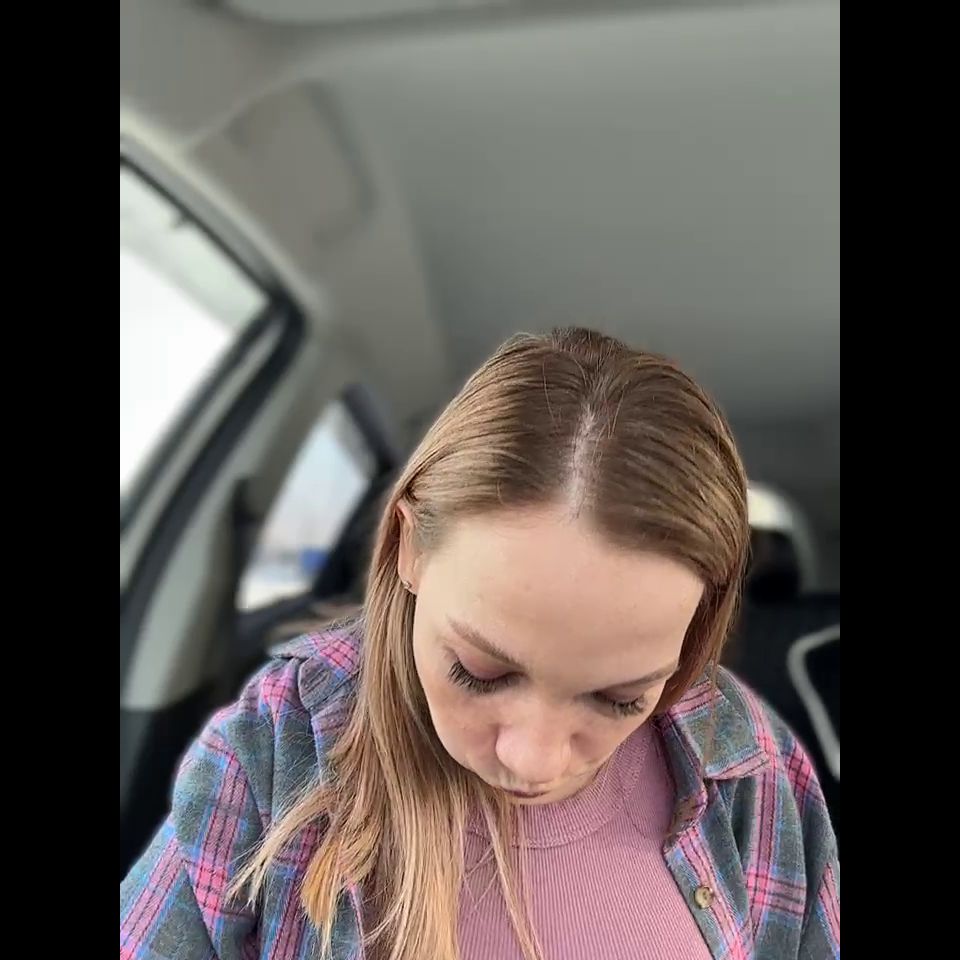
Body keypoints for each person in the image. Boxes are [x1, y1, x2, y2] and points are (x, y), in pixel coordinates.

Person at [120, 328, 840, 960]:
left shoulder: (748, 764)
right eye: (479, 671)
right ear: (409, 549)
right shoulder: (271, 752)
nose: (535, 761)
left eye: (621, 699)